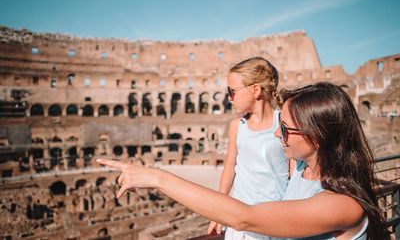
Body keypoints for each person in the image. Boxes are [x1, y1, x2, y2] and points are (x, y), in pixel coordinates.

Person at [97, 82, 387, 240]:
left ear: (318, 136)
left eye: (285, 128)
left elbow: (245, 217)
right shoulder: (302, 169)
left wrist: (157, 178)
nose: (277, 133)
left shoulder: (342, 204)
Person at [208, 57, 288, 239]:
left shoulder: (285, 123)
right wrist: (219, 211)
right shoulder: (237, 126)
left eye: (232, 91)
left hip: (276, 218)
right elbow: (230, 169)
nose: (229, 97)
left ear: (256, 90)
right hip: (241, 220)